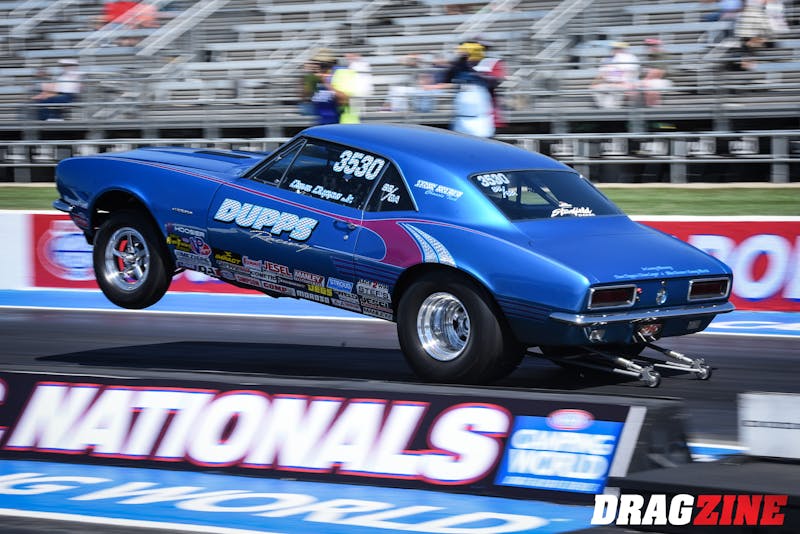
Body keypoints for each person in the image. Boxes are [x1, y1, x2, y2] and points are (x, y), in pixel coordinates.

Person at [591, 42, 639, 109]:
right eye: (614, 48)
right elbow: (602, 74)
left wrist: (611, 73)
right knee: (595, 88)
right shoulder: (608, 59)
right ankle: (605, 108)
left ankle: (612, 110)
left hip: (624, 84)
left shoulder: (630, 58)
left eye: (618, 48)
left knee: (613, 92)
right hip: (610, 83)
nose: (615, 50)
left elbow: (626, 73)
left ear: (624, 49)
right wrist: (594, 83)